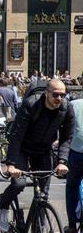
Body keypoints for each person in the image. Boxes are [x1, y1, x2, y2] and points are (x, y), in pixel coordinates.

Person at [0, 79, 74, 232]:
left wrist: (62, 161)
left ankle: (39, 228)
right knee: (19, 184)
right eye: (56, 95)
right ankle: (2, 209)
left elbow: (67, 138)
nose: (59, 98)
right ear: (46, 93)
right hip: (22, 149)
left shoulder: (66, 109)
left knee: (42, 196)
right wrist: (11, 164)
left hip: (43, 150)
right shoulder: (31, 104)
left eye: (63, 95)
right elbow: (16, 135)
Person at [65, 98, 83, 233]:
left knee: (72, 185)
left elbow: (65, 127)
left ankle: (72, 224)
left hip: (77, 150)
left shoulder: (74, 104)